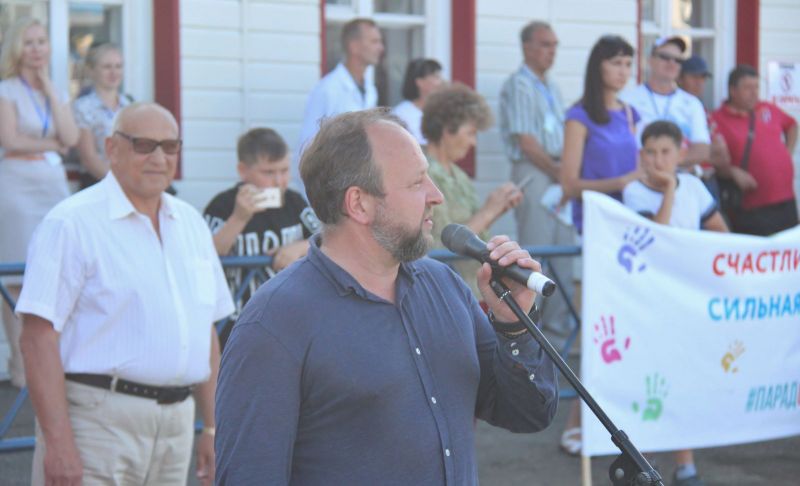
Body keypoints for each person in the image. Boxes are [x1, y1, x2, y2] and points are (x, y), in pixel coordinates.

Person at [215, 108, 559, 484]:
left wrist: (514, 325)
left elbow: (527, 413)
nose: (436, 195)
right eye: (416, 182)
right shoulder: (274, 322)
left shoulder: (444, 286)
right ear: (359, 203)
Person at [16, 102, 235, 486]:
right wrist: (59, 442)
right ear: (111, 148)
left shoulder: (191, 224)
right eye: (144, 145)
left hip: (176, 425)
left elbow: (205, 335)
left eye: (170, 146)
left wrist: (214, 429)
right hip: (96, 423)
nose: (159, 158)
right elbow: (37, 337)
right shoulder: (71, 223)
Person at [623, 120, 727, 486]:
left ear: (681, 153)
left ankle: (685, 464)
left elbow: (720, 232)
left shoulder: (695, 187)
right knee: (651, 381)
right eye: (650, 152)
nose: (658, 160)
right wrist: (668, 188)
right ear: (641, 155)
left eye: (665, 152)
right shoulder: (634, 192)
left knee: (681, 379)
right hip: (649, 301)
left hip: (686, 299)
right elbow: (658, 237)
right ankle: (644, 463)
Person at [558, 34, 642, 455]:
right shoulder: (579, 116)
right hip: (595, 231)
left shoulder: (630, 113)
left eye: (628, 63)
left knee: (627, 328)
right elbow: (569, 184)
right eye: (616, 62)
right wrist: (621, 182)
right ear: (598, 67)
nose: (623, 71)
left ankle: (618, 422)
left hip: (630, 233)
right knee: (598, 329)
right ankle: (576, 422)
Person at [0, 17, 79, 388]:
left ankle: (51, 365)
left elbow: (71, 137)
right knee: (17, 279)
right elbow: (10, 141)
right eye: (29, 42)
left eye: (41, 41)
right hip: (17, 187)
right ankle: (20, 367)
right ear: (17, 49)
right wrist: (52, 145)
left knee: (54, 272)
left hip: (52, 188)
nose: (36, 49)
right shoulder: (7, 90)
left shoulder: (55, 91)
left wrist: (49, 90)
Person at [499, 20, 575, 349]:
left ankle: (558, 340)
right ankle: (532, 339)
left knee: (562, 255)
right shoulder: (519, 85)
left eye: (555, 45)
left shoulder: (552, 85)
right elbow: (527, 142)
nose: (551, 52)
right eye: (545, 44)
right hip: (537, 170)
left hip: (557, 172)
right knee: (538, 252)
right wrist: (559, 172)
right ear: (527, 47)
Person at [203, 127, 320, 344]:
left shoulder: (294, 202)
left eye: (284, 170)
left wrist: (301, 247)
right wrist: (239, 218)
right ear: (243, 171)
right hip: (234, 323)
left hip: (287, 318)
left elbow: (327, 240)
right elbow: (207, 255)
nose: (279, 181)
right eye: (268, 172)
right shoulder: (223, 205)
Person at [422, 83, 522, 295]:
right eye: (470, 133)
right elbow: (437, 248)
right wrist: (489, 211)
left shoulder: (459, 175)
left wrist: (497, 209)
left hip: (469, 289)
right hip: (443, 292)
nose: (473, 142)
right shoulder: (422, 174)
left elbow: (473, 236)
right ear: (447, 129)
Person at [710, 64, 798, 236]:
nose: (754, 93)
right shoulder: (717, 119)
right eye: (748, 88)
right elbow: (709, 159)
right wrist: (732, 171)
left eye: (756, 87)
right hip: (752, 207)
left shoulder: (767, 108)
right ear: (733, 90)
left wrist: (787, 153)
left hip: (786, 199)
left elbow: (792, 125)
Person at [621, 36, 710, 166]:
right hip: (637, 174)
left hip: (678, 176)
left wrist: (664, 166)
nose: (672, 63)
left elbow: (702, 149)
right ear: (650, 60)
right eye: (665, 57)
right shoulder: (627, 99)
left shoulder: (692, 103)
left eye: (678, 60)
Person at [298, 18, 383, 151]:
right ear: (354, 46)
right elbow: (307, 144)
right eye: (374, 41)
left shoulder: (370, 90)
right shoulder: (327, 90)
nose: (381, 48)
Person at [72, 43, 132, 188]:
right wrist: (123, 185)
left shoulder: (130, 105)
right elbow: (89, 158)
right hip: (98, 184)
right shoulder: (83, 107)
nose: (114, 72)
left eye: (118, 66)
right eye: (107, 67)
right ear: (91, 70)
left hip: (131, 182)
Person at [392, 58, 443, 145]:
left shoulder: (440, 112)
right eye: (436, 77)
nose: (440, 82)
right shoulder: (401, 114)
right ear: (420, 82)